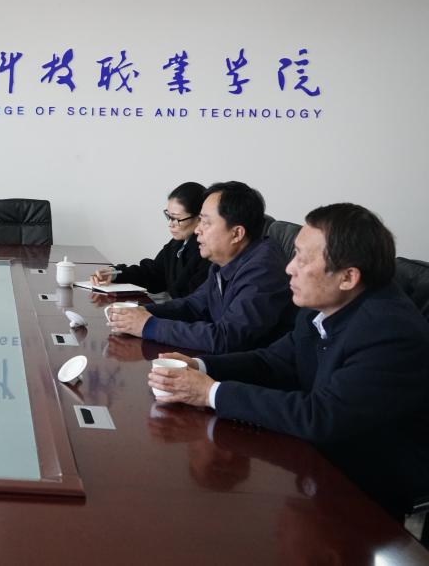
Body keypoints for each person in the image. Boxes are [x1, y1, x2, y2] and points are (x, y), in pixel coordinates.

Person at [148, 203, 429, 519]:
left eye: (303, 259)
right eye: (294, 254)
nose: (289, 268)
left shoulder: (387, 330)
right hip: (315, 461)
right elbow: (273, 362)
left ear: (348, 277)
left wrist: (209, 393)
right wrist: (200, 366)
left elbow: (321, 416)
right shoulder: (322, 306)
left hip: (366, 491)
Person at [107, 181, 295, 353]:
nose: (197, 230)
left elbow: (227, 338)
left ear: (237, 233)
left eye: (205, 222)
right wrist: (141, 312)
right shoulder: (226, 260)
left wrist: (149, 326)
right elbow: (193, 306)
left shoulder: (263, 271)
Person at [90, 181, 210, 298]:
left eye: (176, 219)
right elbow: (153, 273)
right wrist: (114, 273)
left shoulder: (206, 252)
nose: (170, 224)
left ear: (199, 217)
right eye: (168, 216)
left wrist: (147, 310)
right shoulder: (178, 243)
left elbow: (192, 302)